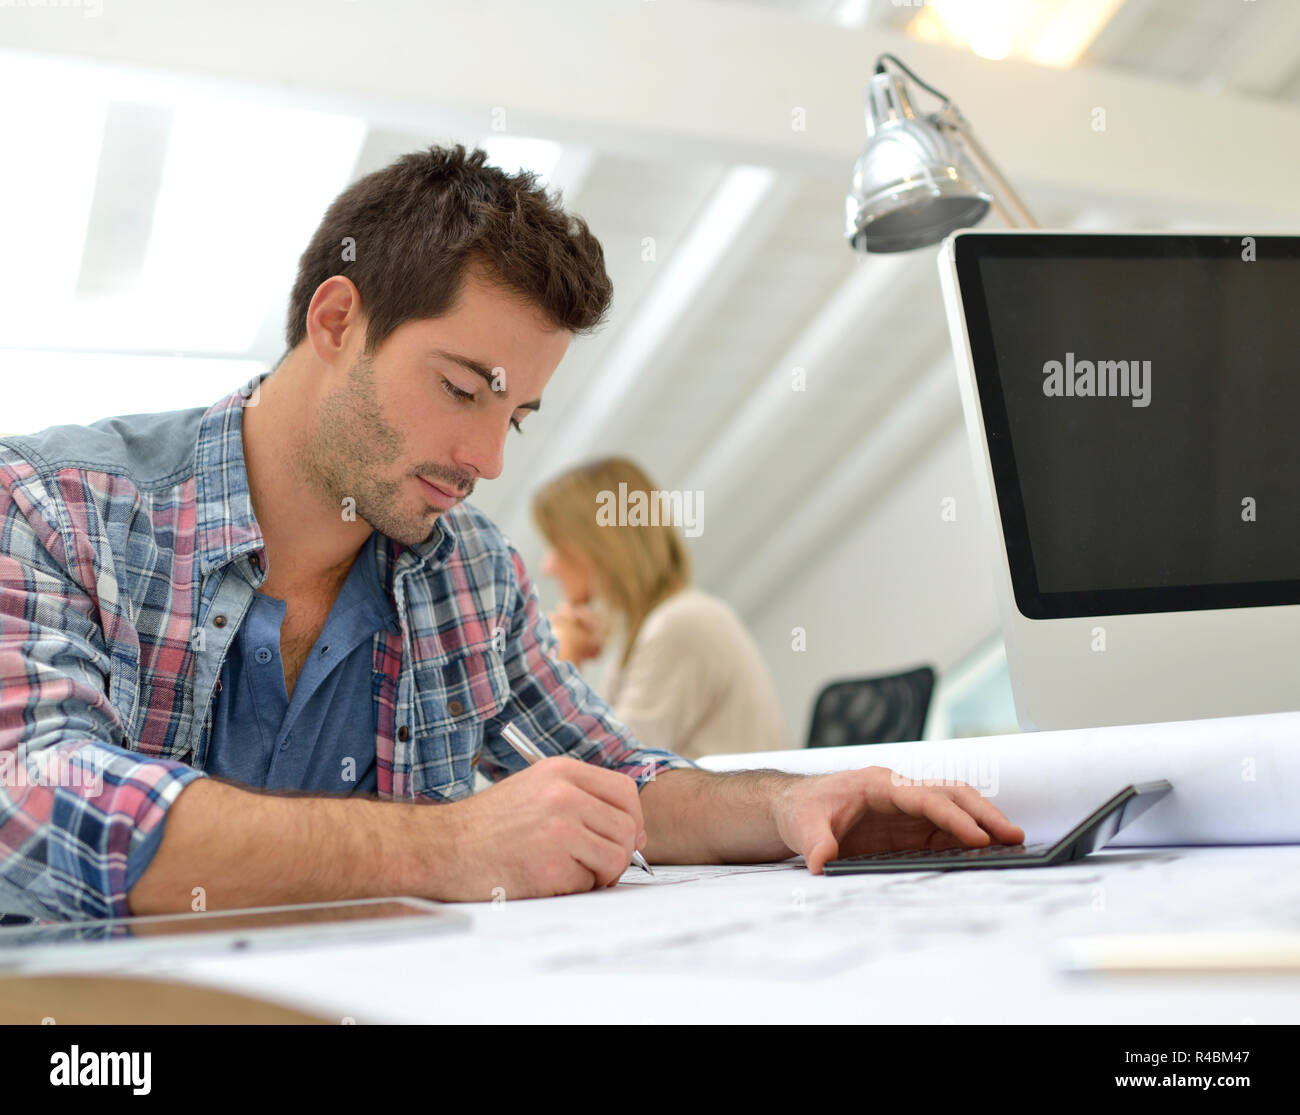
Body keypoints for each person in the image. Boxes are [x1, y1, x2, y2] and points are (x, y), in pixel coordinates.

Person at [0, 145, 1022, 922]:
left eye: (517, 414)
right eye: (460, 388)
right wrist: (444, 847)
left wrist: (791, 803)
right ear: (335, 319)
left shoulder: (467, 568)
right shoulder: (56, 505)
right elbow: (42, 809)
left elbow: (617, 783)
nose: (487, 458)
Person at [533, 458, 787, 760]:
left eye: (557, 545)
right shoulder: (661, 621)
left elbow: (608, 771)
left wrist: (562, 660)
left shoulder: (678, 624)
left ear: (599, 547)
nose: (547, 566)